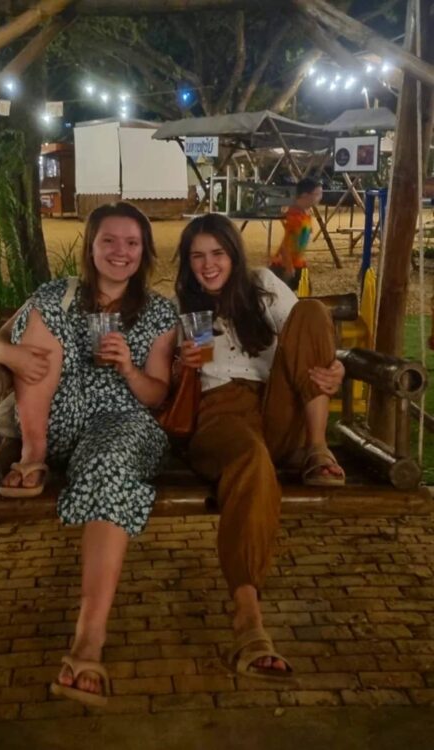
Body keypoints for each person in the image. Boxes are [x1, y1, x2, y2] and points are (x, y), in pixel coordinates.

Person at [0, 202, 178, 705]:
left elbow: (158, 396)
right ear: (91, 247)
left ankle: (88, 638)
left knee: (110, 463)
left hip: (125, 422)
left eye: (131, 243)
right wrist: (8, 353)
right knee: (45, 310)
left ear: (144, 252)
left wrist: (128, 369)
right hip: (60, 418)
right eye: (109, 241)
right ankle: (33, 453)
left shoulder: (158, 312)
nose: (120, 252)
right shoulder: (61, 294)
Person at [175, 213, 345, 683]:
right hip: (218, 414)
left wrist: (337, 370)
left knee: (312, 311)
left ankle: (317, 447)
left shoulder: (263, 286)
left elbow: (307, 338)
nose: (208, 266)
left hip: (277, 409)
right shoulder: (186, 306)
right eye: (197, 257)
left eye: (217, 253)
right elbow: (172, 385)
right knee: (249, 457)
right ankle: (248, 615)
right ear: (187, 265)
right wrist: (184, 363)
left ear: (233, 251)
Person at [269, 177, 323, 291]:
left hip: (296, 263)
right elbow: (285, 246)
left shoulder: (304, 213)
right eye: (317, 194)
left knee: (305, 295)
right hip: (285, 265)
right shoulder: (295, 217)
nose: (320, 197)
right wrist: (289, 267)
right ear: (304, 195)